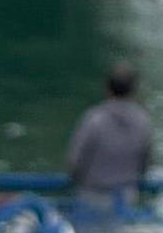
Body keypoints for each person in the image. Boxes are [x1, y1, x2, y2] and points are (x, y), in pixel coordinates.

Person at [64, 61, 152, 216]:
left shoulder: (93, 119)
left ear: (107, 88)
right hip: (126, 195)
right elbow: (146, 160)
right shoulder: (142, 121)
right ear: (133, 90)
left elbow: (74, 161)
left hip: (92, 194)